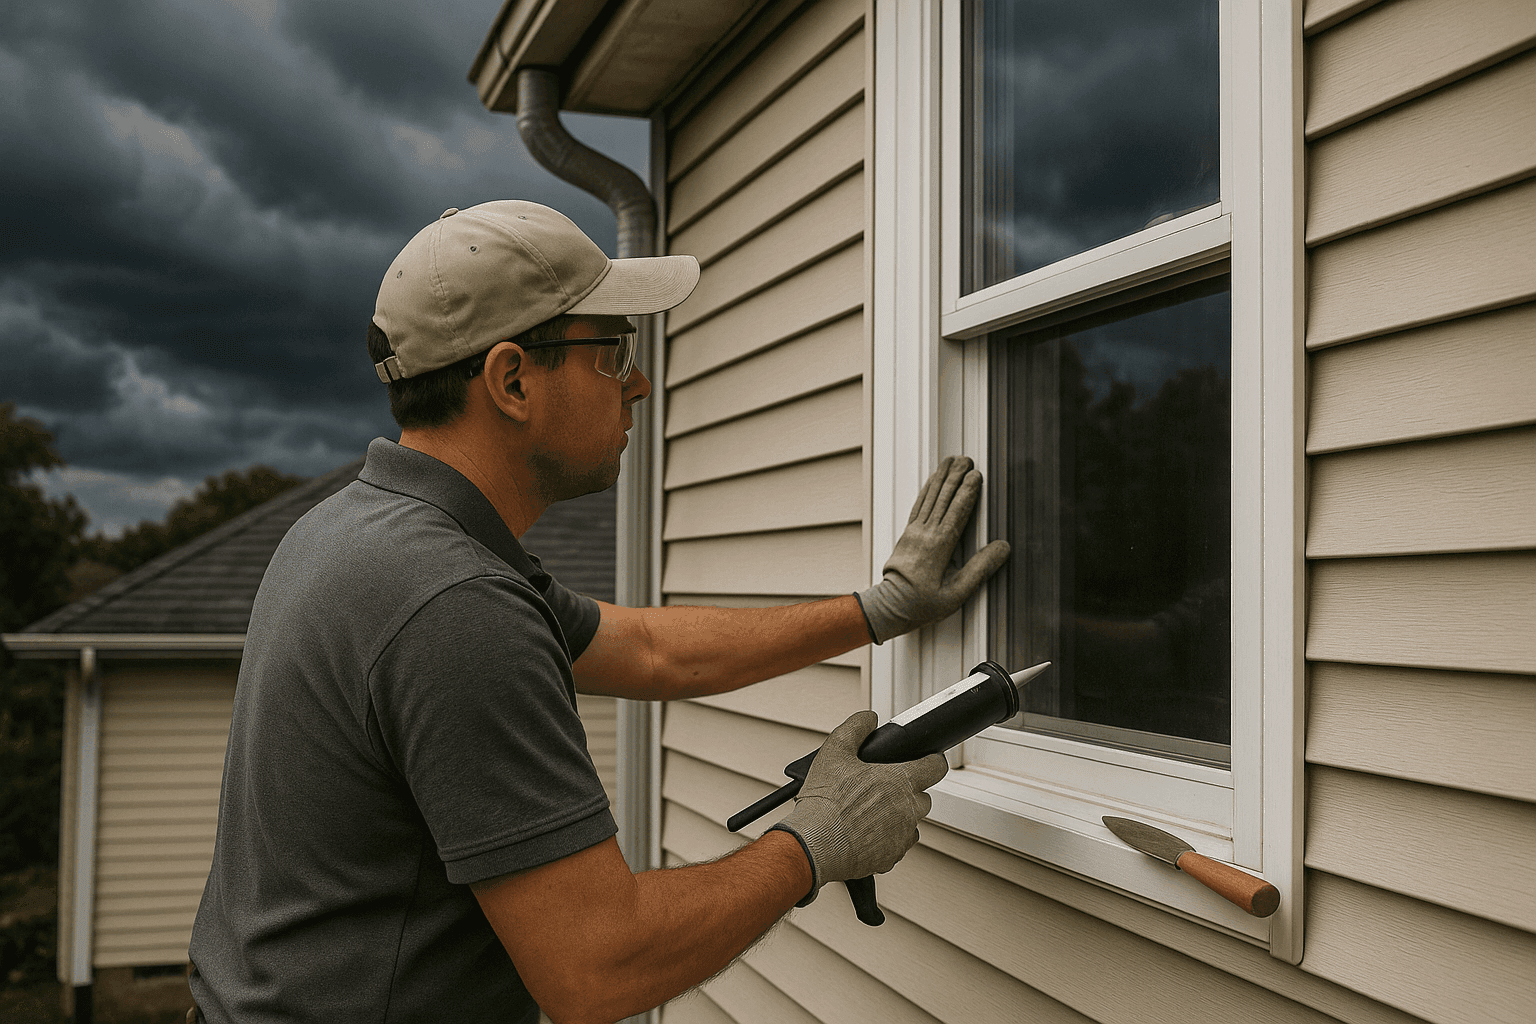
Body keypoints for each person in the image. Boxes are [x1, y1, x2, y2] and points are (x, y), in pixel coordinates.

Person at [187, 200, 1010, 1024]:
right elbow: (598, 967)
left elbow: (649, 650)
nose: (639, 384)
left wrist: (879, 609)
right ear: (512, 380)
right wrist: (814, 841)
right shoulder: (452, 603)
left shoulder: (362, 531)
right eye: (614, 353)